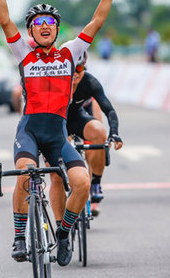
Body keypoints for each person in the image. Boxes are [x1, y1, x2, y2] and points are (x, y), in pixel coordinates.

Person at [0, 0, 123, 266]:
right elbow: (5, 20)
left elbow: (97, 22)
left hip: (58, 133)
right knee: (24, 176)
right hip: (31, 130)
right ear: (31, 31)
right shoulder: (22, 52)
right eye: (38, 24)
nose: (45, 27)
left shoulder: (71, 53)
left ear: (57, 29)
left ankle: (63, 233)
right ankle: (20, 236)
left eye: (50, 24)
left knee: (83, 183)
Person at [49, 52, 123, 219]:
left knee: (99, 131)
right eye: (71, 69)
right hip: (58, 122)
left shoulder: (89, 81)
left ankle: (95, 183)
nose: (75, 73)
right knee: (58, 163)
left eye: (80, 68)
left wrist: (114, 133)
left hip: (77, 118)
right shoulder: (54, 81)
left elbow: (108, 109)